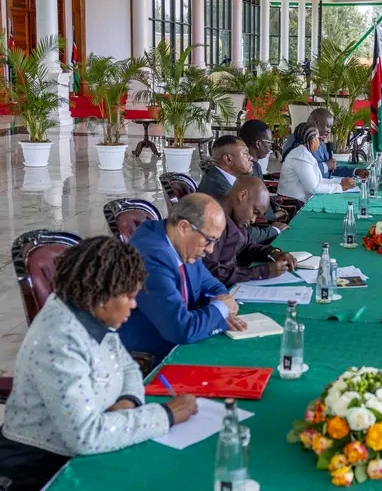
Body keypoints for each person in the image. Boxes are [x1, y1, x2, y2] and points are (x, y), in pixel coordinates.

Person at [0, 237, 198, 490]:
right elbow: (85, 436)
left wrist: (127, 403)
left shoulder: (91, 312)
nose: (134, 304)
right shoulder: (59, 339)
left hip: (91, 441)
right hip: (40, 465)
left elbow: (127, 367)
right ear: (103, 296)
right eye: (129, 296)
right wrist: (166, 415)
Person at [121, 194, 245, 363]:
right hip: (153, 356)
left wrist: (222, 306)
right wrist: (220, 309)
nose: (210, 250)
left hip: (183, 343)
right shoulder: (150, 257)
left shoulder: (183, 246)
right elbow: (181, 329)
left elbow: (214, 287)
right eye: (209, 240)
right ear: (184, 227)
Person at [203, 176, 297, 287]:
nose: (253, 220)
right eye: (255, 212)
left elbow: (248, 247)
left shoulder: (235, 218)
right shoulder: (214, 220)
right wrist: (261, 272)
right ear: (242, 196)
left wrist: (273, 253)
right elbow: (210, 272)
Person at [198, 135, 286, 244]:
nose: (251, 158)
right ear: (228, 159)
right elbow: (241, 233)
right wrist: (275, 230)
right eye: (245, 154)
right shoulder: (218, 188)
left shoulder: (225, 177)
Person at [277, 123, 356, 204]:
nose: (319, 142)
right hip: (294, 205)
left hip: (300, 201)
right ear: (312, 140)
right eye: (318, 138)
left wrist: (340, 182)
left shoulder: (304, 153)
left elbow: (318, 181)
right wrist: (340, 187)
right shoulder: (300, 157)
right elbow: (314, 188)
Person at [283, 108, 369, 179]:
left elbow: (332, 166)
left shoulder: (321, 143)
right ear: (316, 122)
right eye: (328, 126)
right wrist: (325, 166)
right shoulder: (297, 140)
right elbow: (301, 171)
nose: (329, 131)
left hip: (323, 184)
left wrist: (356, 171)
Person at [237, 119, 290, 222]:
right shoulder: (243, 171)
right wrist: (276, 216)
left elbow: (263, 193)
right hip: (262, 223)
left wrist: (276, 206)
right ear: (258, 143)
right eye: (269, 142)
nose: (271, 147)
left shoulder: (256, 166)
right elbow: (250, 211)